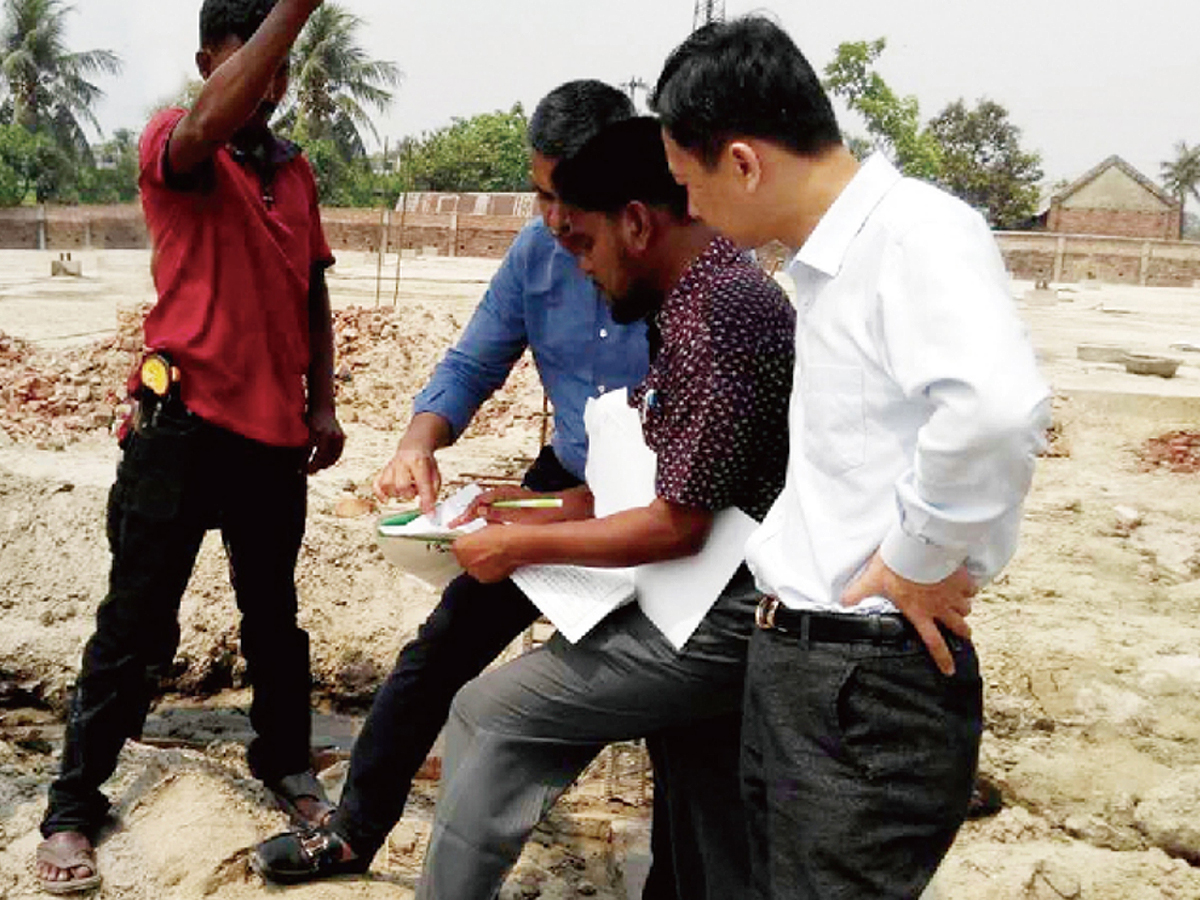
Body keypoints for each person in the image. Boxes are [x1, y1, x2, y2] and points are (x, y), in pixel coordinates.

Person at [250, 81, 698, 891]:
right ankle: (352, 831)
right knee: (442, 649)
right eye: (541, 195)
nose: (556, 221)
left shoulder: (683, 270)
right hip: (570, 483)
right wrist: (418, 441)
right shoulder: (535, 255)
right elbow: (472, 362)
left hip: (673, 500)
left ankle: (675, 879)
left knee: (674, 700)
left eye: (569, 200)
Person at [651, 16, 1052, 899]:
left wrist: (916, 558)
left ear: (743, 163)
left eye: (690, 184)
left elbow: (996, 412)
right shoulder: (828, 267)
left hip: (864, 681)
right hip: (807, 666)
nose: (693, 211)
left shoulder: (914, 235)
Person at [396, 115, 794, 899]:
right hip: (722, 594)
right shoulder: (705, 295)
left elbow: (678, 525)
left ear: (637, 223)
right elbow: (653, 480)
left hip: (724, 612)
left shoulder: (715, 317)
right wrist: (527, 508)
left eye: (582, 244)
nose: (579, 269)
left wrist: (516, 548)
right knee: (708, 813)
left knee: (491, 714)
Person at [34, 0, 343, 892]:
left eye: (282, 67)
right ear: (209, 61)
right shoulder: (177, 142)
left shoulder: (296, 171)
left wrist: (323, 403)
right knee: (132, 623)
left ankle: (284, 763)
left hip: (271, 438)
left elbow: (313, 292)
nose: (271, 83)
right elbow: (211, 122)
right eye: (254, 61)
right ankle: (72, 806)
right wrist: (295, 11)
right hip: (180, 430)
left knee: (274, 620)